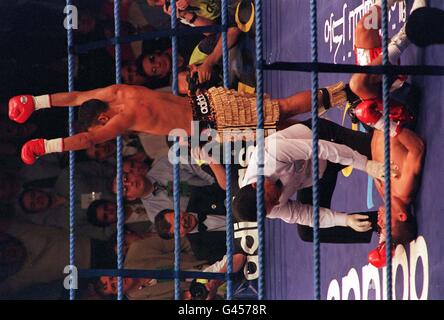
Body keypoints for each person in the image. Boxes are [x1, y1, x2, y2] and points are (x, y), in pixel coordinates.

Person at [9, 79, 348, 165]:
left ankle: (349, 92)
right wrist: (37, 102)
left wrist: (48, 146)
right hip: (211, 101)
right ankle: (348, 101)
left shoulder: (120, 117)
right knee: (279, 126)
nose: (102, 130)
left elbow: (89, 141)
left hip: (214, 119)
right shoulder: (116, 91)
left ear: (101, 117)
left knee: (282, 110)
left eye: (99, 124)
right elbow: (78, 96)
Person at [346, 0, 427, 267]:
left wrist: (370, 121)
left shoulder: (386, 194)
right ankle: (411, 31)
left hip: (383, 107)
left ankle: (393, 6)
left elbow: (379, 147)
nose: (378, 221)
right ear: (402, 217)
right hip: (400, 107)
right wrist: (381, 121)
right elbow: (417, 148)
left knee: (362, 30)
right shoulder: (403, 190)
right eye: (385, 225)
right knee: (359, 83)